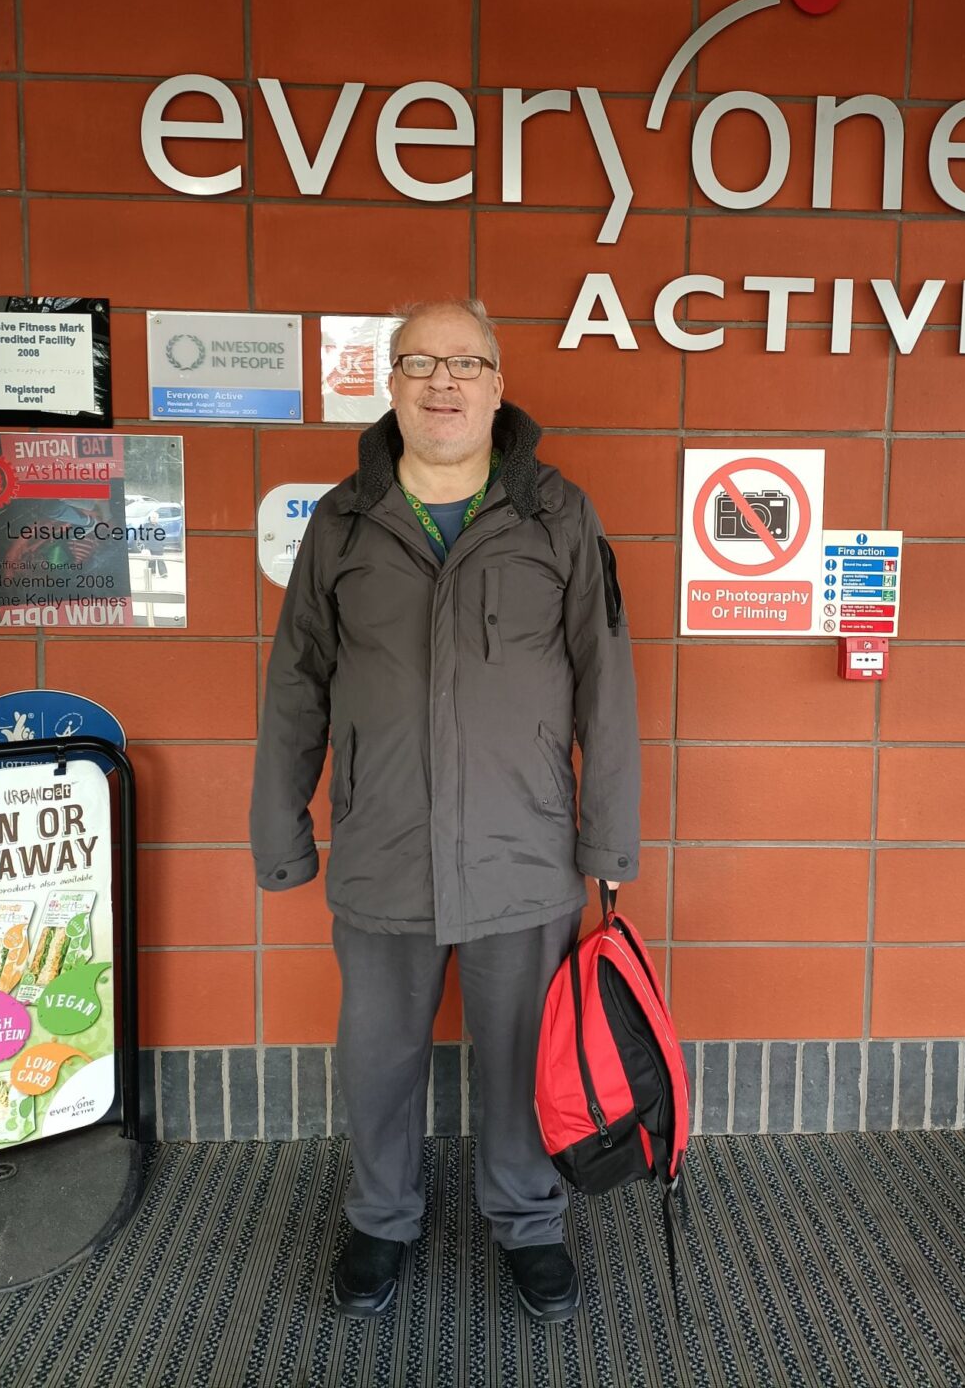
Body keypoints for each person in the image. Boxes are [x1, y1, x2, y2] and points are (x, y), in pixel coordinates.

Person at [250, 299, 640, 1323]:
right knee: (378, 1058)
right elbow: (295, 685)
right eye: (420, 362)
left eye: (465, 364)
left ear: (498, 387)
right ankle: (381, 1219)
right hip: (384, 845)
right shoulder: (343, 522)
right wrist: (281, 833)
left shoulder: (559, 514)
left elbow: (607, 685)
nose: (443, 382)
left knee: (522, 1055)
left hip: (524, 848)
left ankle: (530, 1224)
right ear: (391, 385)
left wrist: (608, 840)